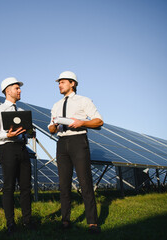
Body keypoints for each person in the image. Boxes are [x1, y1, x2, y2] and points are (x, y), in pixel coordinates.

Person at [48, 71, 103, 234]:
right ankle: (65, 221)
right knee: (63, 184)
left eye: (63, 82)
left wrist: (81, 122)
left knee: (85, 182)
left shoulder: (84, 101)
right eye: (58, 82)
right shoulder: (56, 105)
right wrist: (53, 127)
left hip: (78, 140)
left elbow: (99, 121)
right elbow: (51, 128)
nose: (59, 85)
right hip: (62, 142)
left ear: (73, 83)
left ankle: (92, 223)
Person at [0, 77, 35, 236]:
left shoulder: (22, 113)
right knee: (9, 187)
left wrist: (30, 133)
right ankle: (11, 223)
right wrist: (7, 134)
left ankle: (27, 221)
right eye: (17, 88)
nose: (20, 90)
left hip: (23, 149)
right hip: (7, 148)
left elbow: (27, 132)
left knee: (26, 187)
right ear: (8, 91)